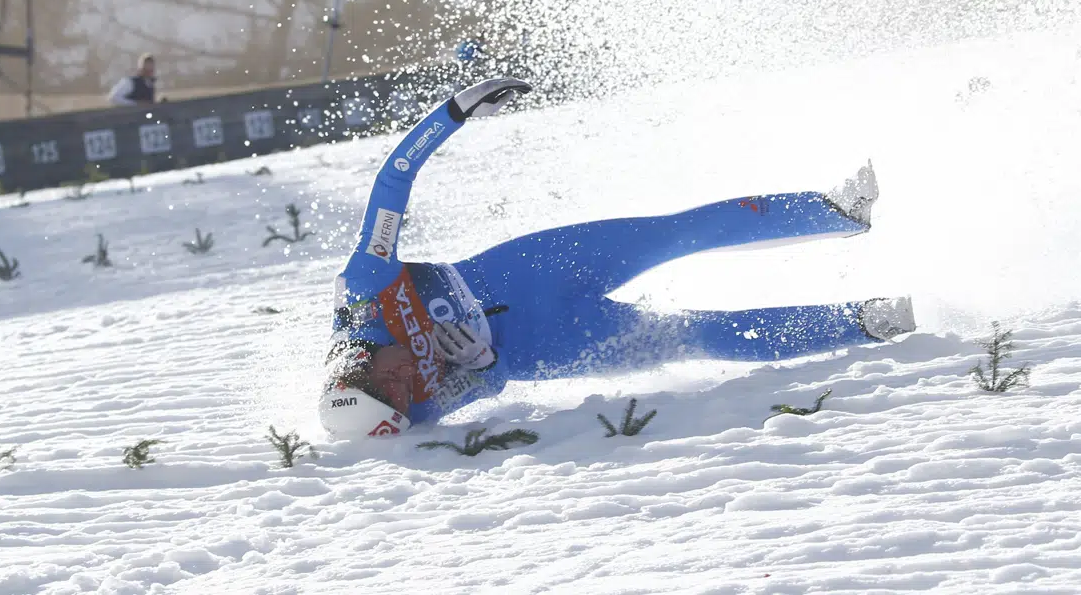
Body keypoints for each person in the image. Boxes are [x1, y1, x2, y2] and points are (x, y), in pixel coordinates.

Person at [320, 77, 914, 438]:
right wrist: (480, 365)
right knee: (698, 336)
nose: (409, 386)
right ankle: (867, 322)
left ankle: (835, 210)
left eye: (392, 387)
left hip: (524, 270)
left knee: (673, 232)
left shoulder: (367, 287)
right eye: (403, 401)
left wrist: (454, 113)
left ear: (359, 372)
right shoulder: (412, 413)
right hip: (552, 346)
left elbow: (394, 179)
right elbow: (490, 382)